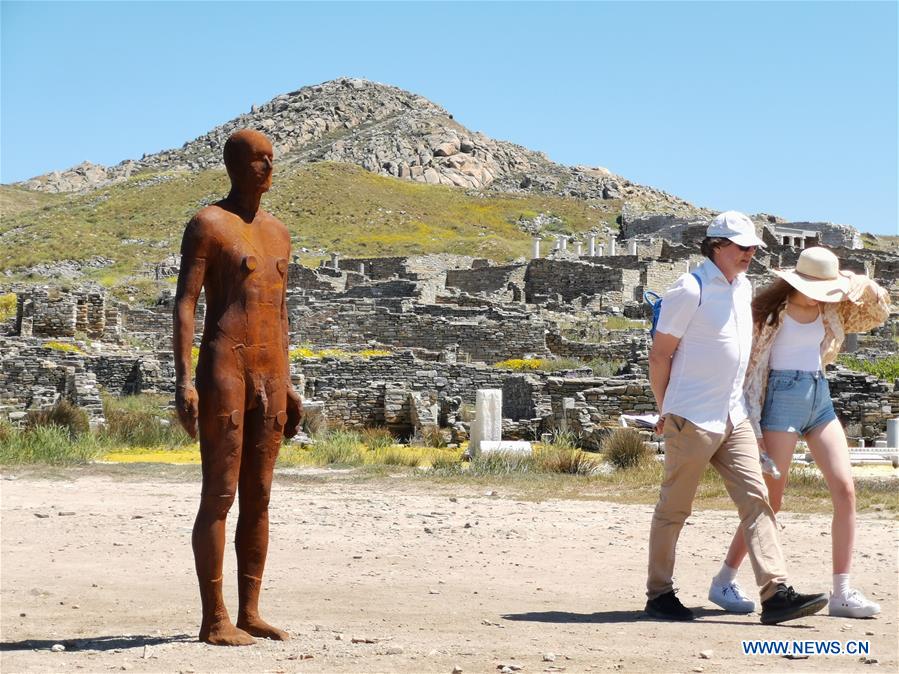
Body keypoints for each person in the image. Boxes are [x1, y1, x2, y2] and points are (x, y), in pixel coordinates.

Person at [646, 210, 827, 625]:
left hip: (734, 415)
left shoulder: (743, 288)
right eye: (742, 247)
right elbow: (660, 354)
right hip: (691, 416)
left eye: (752, 248)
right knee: (674, 508)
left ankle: (776, 591)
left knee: (757, 498)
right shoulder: (688, 289)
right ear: (717, 246)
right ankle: (659, 594)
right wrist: (665, 409)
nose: (749, 254)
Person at [708, 246, 890, 618]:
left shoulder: (831, 310)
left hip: (818, 396)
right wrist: (750, 424)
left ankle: (841, 591)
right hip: (781, 400)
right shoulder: (767, 313)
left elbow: (878, 311)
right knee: (769, 501)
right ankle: (725, 578)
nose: (823, 295)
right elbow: (746, 368)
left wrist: (853, 281)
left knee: (845, 489)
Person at [173, 129, 303, 646]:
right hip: (225, 368)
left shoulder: (279, 232)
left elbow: (281, 311)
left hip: (270, 373)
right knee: (221, 493)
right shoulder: (208, 223)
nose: (267, 168)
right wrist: (184, 378)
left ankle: (250, 610)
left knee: (261, 495)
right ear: (232, 164)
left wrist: (288, 381)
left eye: (272, 159)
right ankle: (214, 618)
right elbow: (186, 302)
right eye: (257, 160)